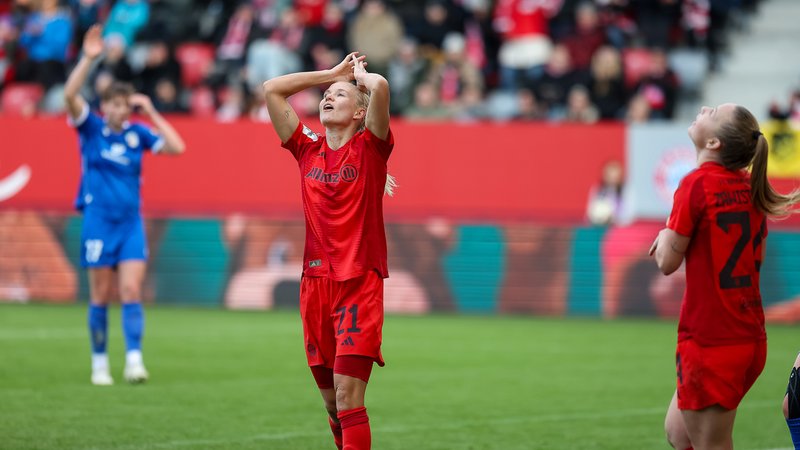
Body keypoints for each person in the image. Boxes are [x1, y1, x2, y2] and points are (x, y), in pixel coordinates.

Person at [262, 51, 394, 450]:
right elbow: (272, 89)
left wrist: (359, 78)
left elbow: (380, 86)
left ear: (359, 113)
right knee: (333, 406)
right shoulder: (307, 148)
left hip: (358, 283)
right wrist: (331, 74)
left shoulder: (371, 148)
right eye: (326, 95)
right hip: (315, 285)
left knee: (347, 398)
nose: (328, 97)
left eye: (339, 95)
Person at [650, 103, 800, 449]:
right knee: (678, 433)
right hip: (747, 337)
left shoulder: (696, 184)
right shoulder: (749, 186)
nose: (703, 109)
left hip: (711, 341)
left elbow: (667, 263)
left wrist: (664, 235)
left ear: (713, 143)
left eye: (712, 112)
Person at [63, 25, 186, 386]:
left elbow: (177, 147)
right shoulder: (91, 129)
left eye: (125, 105)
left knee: (132, 291)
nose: (120, 110)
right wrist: (88, 59)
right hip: (98, 222)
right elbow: (69, 95)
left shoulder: (138, 134)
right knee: (101, 295)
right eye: (114, 104)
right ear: (104, 107)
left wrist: (152, 112)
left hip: (130, 223)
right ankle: (100, 363)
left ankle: (134, 360)